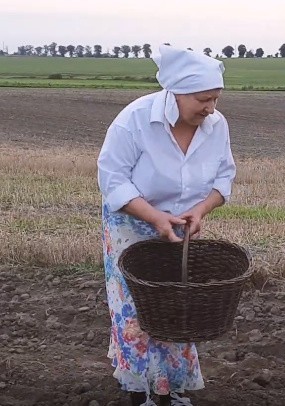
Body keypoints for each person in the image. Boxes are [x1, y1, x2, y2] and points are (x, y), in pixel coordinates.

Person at [97, 45, 236, 406]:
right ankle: (138, 390)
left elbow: (224, 177)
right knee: (137, 308)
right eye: (203, 100)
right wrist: (154, 217)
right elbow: (113, 179)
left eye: (215, 99)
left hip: (179, 229)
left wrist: (201, 210)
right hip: (132, 223)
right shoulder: (135, 119)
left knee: (176, 306)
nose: (210, 108)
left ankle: (173, 388)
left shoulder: (216, 126)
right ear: (176, 93)